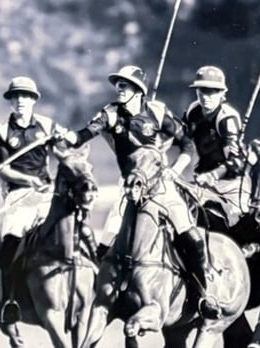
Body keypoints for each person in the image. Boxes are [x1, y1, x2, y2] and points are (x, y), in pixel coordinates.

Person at [72, 65, 220, 319]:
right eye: (118, 85)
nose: (119, 89)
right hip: (129, 187)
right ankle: (99, 296)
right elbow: (86, 134)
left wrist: (176, 168)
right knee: (107, 239)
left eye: (125, 85)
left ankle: (202, 294)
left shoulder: (157, 111)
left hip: (161, 186)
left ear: (138, 91)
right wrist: (69, 138)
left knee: (189, 234)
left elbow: (187, 143)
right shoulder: (110, 114)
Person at [0, 76, 75, 324]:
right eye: (16, 96)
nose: (20, 101)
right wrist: (28, 181)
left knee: (73, 230)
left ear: (34, 100)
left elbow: (64, 150)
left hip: (47, 193)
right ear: (11, 101)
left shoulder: (47, 125)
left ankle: (87, 290)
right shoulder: (0, 131)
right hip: (19, 195)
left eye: (25, 96)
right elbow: (2, 169)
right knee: (11, 242)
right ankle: (10, 301)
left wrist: (66, 140)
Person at [181, 65, 249, 233]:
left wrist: (212, 175)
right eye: (202, 91)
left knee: (236, 225)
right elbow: (180, 137)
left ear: (222, 94)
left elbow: (236, 161)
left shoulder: (227, 118)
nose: (206, 97)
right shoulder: (193, 111)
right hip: (200, 182)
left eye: (212, 91)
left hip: (230, 184)